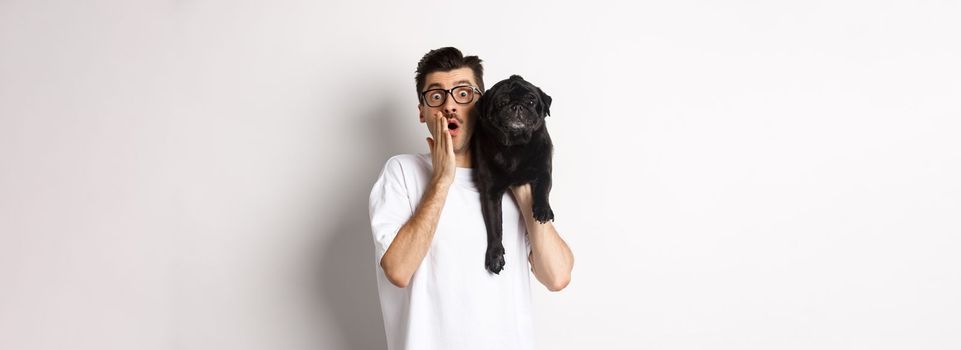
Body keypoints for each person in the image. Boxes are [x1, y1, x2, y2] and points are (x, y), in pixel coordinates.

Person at [368, 47, 574, 350]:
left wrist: (520, 181)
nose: (450, 105)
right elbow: (398, 270)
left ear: (482, 104)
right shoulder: (402, 172)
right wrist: (441, 180)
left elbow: (557, 276)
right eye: (436, 96)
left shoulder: (518, 184)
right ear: (422, 110)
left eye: (463, 94)